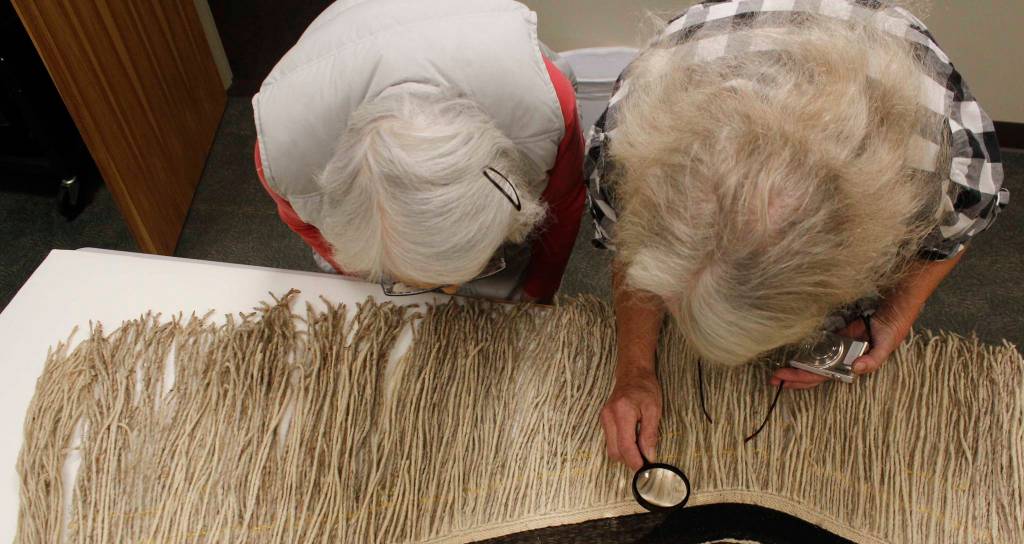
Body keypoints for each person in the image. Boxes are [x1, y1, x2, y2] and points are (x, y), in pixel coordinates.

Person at [587, 0, 1009, 469]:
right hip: (708, 49)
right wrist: (635, 370)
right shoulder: (626, 145)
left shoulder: (944, 160)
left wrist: (895, 315)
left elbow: (953, 232)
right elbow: (630, 246)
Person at [253, 0, 585, 302]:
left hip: (494, 61)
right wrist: (361, 281)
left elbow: (565, 202)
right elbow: (306, 225)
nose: (449, 292)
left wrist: (538, 290)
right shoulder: (285, 157)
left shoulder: (545, 107)